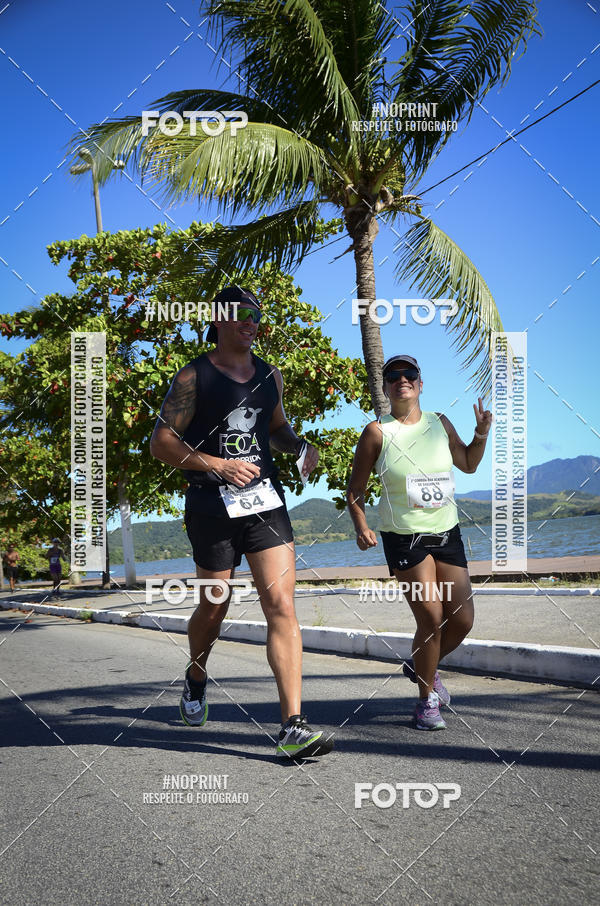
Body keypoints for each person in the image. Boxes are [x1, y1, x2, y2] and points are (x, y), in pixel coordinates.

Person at [150, 285, 333, 759]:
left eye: (256, 314)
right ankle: (196, 675)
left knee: (282, 605)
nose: (251, 321)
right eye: (241, 314)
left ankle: (293, 725)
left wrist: (301, 447)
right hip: (211, 507)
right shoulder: (193, 376)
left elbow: (275, 428)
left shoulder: (270, 374)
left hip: (264, 504)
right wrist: (218, 464)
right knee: (215, 604)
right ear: (218, 319)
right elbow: (162, 444)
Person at [347, 354, 492, 730]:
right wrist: (362, 524)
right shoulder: (376, 433)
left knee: (462, 620)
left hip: (447, 532)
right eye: (392, 376)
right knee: (430, 617)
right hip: (404, 537)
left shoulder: (439, 423)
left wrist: (481, 434)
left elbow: (469, 463)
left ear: (420, 383)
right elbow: (355, 490)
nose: (401, 380)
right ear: (385, 388)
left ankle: (421, 664)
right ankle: (426, 699)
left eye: (409, 373)